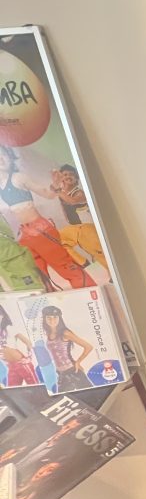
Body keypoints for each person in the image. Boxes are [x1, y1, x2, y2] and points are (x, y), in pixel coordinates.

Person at [0, 146, 95, 289]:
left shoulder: (18, 177)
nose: (1, 159)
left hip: (40, 229)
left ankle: (89, 291)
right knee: (38, 272)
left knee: (64, 265)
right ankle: (47, 297)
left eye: (4, 155)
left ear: (11, 158)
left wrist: (56, 186)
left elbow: (48, 195)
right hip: (24, 233)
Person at [52, 164, 107, 271]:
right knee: (59, 240)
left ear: (76, 179)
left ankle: (109, 273)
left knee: (98, 253)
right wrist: (56, 182)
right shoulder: (63, 193)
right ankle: (84, 263)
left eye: (71, 174)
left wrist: (57, 190)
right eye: (65, 175)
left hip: (87, 228)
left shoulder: (79, 193)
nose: (68, 176)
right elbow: (54, 192)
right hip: (76, 228)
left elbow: (72, 201)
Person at [40, 305, 93, 391]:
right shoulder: (49, 333)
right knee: (63, 397)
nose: (52, 320)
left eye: (55, 317)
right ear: (45, 319)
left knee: (91, 394)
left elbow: (88, 347)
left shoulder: (65, 333)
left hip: (73, 371)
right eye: (49, 318)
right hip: (61, 374)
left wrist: (78, 362)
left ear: (59, 318)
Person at [0, 303, 37, 387]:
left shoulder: (9, 328)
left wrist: (29, 357)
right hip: (11, 366)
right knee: (13, 390)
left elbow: (28, 342)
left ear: (2, 316)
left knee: (35, 386)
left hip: (22, 363)